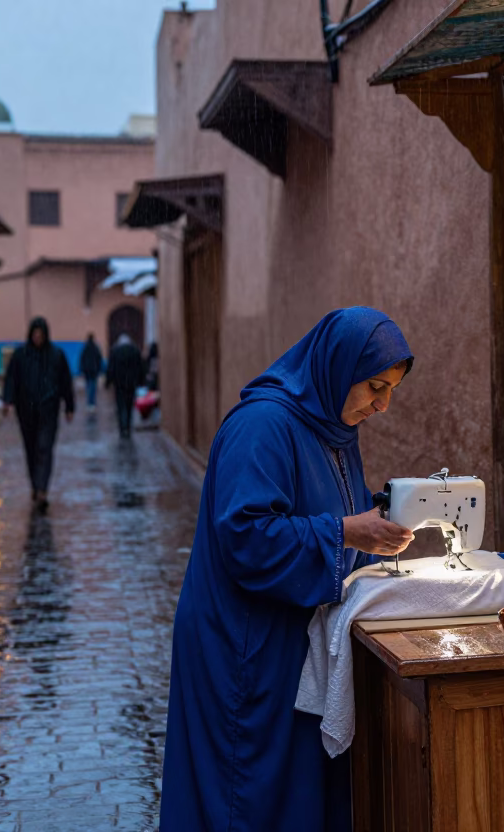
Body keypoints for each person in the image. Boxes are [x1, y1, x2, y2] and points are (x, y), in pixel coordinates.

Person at [159, 307, 416, 832]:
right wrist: (345, 533)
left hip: (289, 640)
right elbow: (246, 536)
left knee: (291, 796)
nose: (382, 404)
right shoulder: (264, 426)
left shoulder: (334, 429)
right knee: (244, 795)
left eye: (390, 389)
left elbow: (326, 505)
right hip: (243, 646)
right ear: (337, 368)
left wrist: (383, 522)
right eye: (374, 386)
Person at [2, 317, 74, 511]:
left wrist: (69, 406)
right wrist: (7, 400)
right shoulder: (21, 356)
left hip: (48, 409)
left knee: (44, 447)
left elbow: (65, 382)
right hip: (26, 409)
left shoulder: (56, 355)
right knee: (31, 448)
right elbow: (11, 379)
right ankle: (35, 485)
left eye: (40, 335)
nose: (37, 338)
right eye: (35, 335)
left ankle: (42, 489)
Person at [106, 334, 143, 438]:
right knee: (129, 405)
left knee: (120, 405)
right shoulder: (135, 351)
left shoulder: (115, 351)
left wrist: (108, 381)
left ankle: (122, 428)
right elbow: (140, 367)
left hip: (119, 384)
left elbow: (111, 367)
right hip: (131, 383)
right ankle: (128, 426)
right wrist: (141, 381)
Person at [80, 333, 104, 409]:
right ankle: (92, 402)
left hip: (87, 370)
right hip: (94, 370)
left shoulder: (85, 348)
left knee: (88, 385)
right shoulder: (96, 347)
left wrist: (82, 369)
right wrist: (99, 369)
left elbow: (82, 359)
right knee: (93, 385)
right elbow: (99, 359)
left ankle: (89, 402)